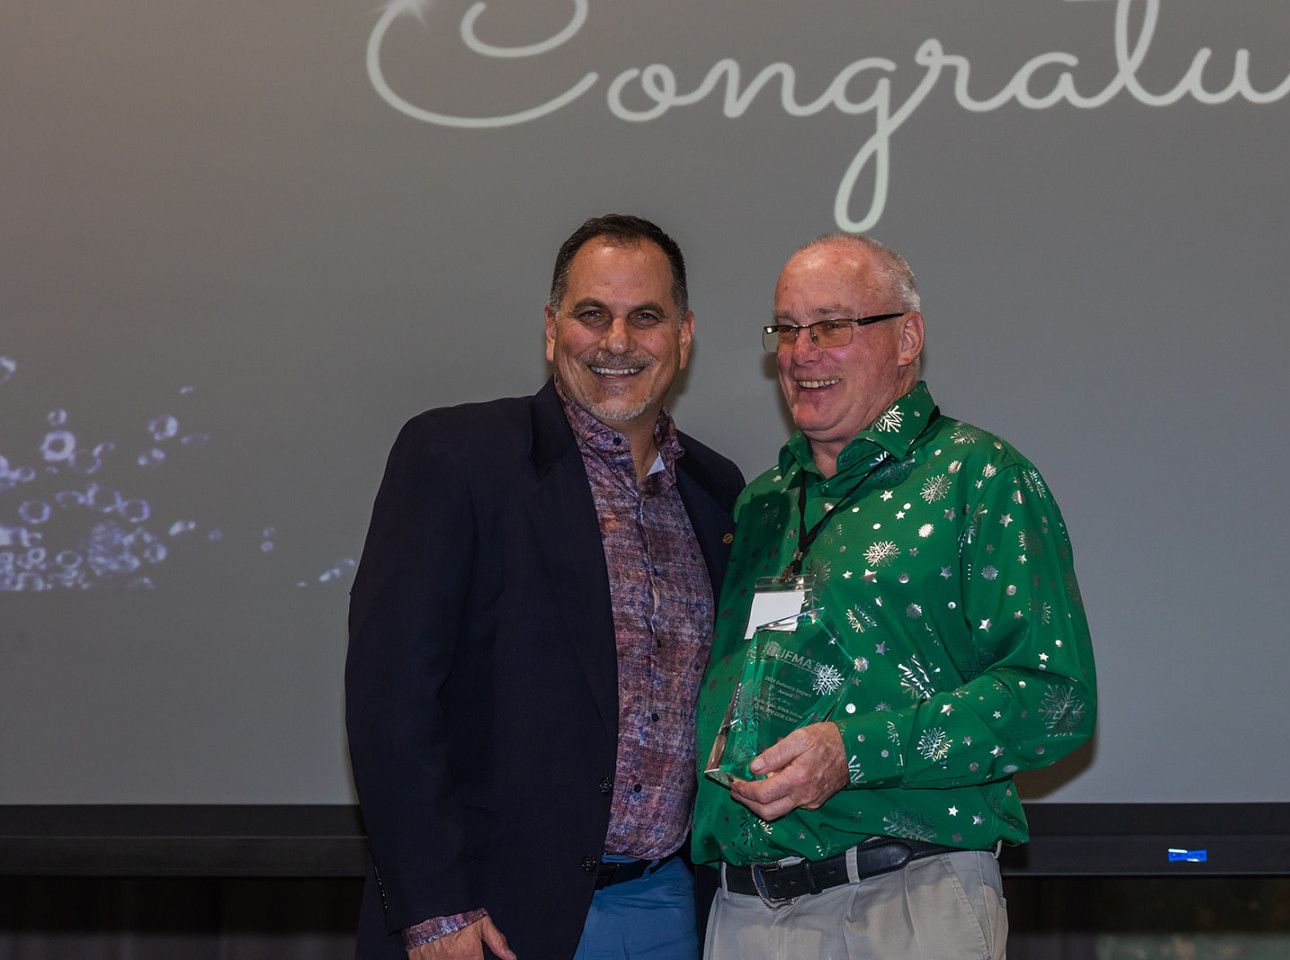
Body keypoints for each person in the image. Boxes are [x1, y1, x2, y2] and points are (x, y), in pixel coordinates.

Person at [347, 214, 744, 960]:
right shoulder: (457, 458)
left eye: (645, 317)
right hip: (493, 922)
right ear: (552, 327)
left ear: (683, 337)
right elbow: (390, 698)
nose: (617, 341)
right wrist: (434, 910)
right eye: (592, 314)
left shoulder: (715, 490)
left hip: (676, 911)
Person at [692, 234, 1097, 959]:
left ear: (906, 337)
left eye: (831, 326)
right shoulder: (761, 504)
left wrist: (853, 751)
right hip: (745, 910)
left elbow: (1055, 700)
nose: (800, 351)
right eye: (785, 329)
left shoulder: (981, 477)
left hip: (905, 903)